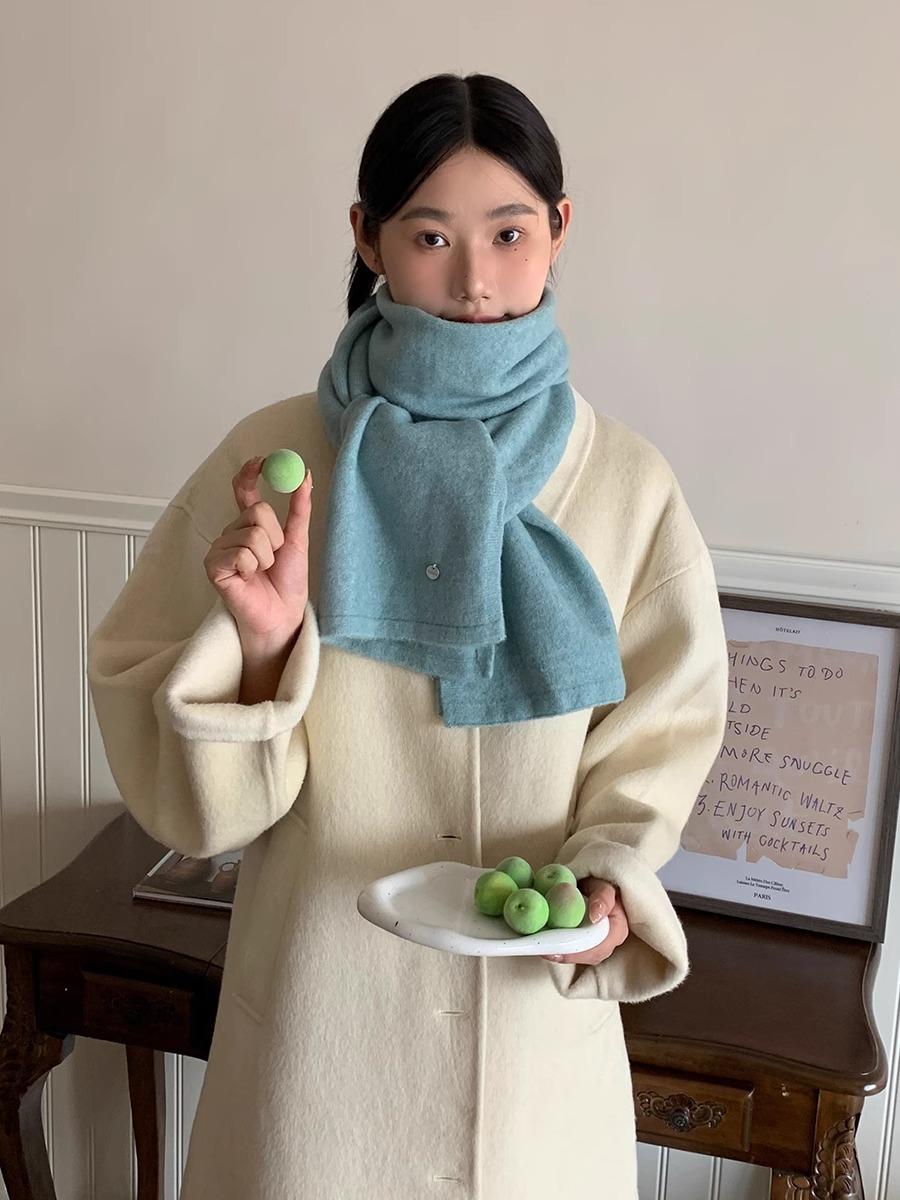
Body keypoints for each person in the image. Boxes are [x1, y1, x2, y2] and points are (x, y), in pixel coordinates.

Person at [88, 72, 729, 1199]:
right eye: (431, 235)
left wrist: (609, 875)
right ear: (367, 237)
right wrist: (263, 651)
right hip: (316, 1052)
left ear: (560, 229)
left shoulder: (627, 483)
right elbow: (201, 812)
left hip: (534, 1060)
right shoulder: (278, 466)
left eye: (509, 233)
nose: (475, 279)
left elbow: (662, 732)